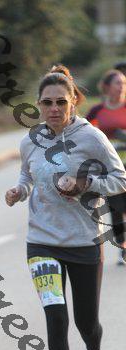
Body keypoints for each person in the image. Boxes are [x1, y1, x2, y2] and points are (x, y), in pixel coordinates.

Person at [5, 65, 126, 350]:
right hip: (41, 242)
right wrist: (19, 190)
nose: (54, 108)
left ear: (73, 101)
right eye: (47, 102)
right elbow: (27, 173)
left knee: (87, 322)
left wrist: (84, 184)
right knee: (55, 316)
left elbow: (120, 179)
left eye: (61, 101)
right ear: (39, 105)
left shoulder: (92, 137)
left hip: (84, 241)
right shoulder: (31, 141)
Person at [86, 69, 126, 265]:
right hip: (109, 169)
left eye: (124, 83)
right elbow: (85, 133)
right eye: (118, 83)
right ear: (107, 87)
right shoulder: (97, 111)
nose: (122, 87)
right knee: (116, 209)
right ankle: (123, 247)